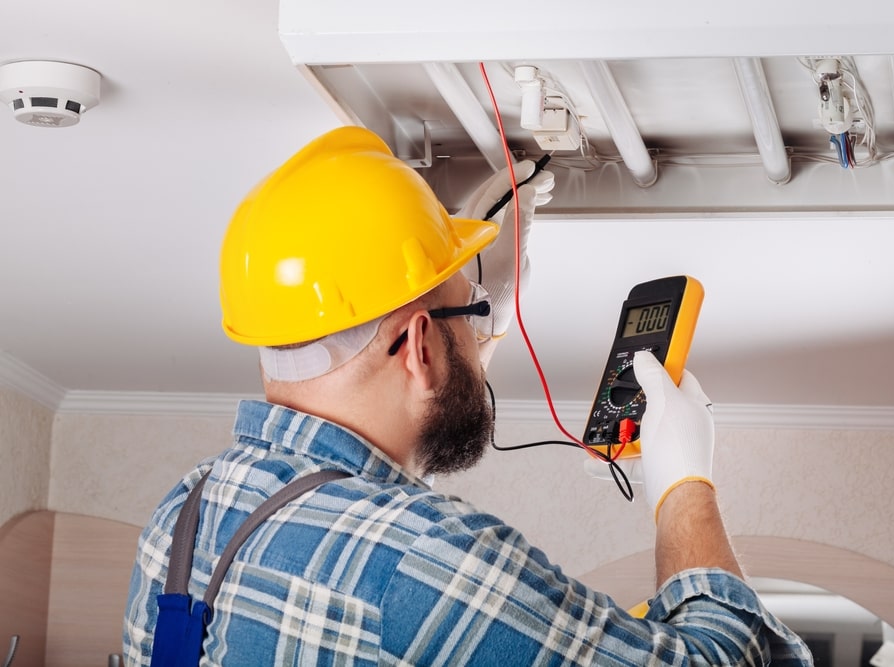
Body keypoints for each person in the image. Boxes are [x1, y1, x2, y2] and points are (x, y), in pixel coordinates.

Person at [123, 126, 812, 665]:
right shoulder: (425, 559)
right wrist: (683, 485)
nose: (486, 327)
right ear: (420, 348)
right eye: (471, 314)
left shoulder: (184, 512)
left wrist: (468, 330)